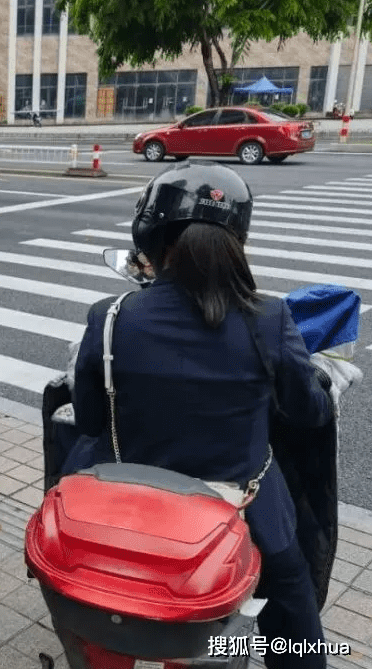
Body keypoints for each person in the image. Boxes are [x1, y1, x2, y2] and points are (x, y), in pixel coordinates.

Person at [70, 161, 333, 669]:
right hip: (244, 503)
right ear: (238, 239)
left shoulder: (110, 318)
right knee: (290, 587)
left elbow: (87, 419)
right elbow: (309, 412)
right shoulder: (270, 318)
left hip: (132, 505)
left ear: (150, 236)